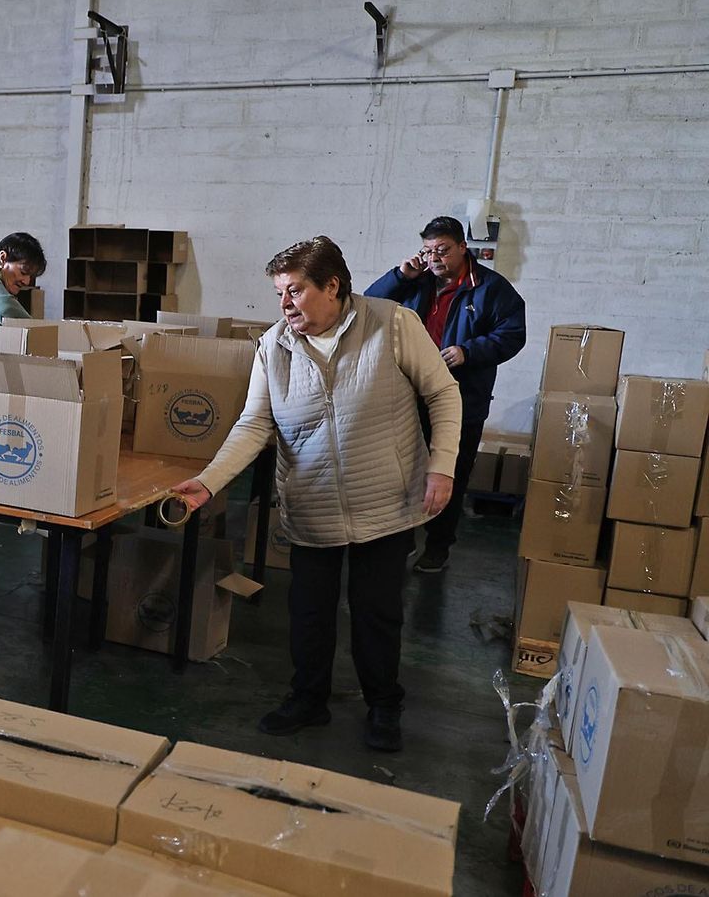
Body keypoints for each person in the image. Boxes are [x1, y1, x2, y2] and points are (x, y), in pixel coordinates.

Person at [172, 236, 461, 753]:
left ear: (333, 286)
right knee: (309, 612)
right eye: (280, 292)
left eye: (295, 290)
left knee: (377, 613)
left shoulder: (392, 324)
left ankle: (383, 705)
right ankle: (308, 699)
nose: (285, 304)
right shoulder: (274, 345)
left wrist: (442, 467)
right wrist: (210, 480)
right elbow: (254, 423)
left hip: (385, 501)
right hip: (312, 503)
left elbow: (443, 392)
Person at [365, 216, 526, 573]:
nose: (435, 258)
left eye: (442, 250)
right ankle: (403, 540)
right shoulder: (416, 280)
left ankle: (438, 547)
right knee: (404, 470)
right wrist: (400, 276)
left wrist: (470, 352)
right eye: (428, 250)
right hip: (410, 394)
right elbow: (368, 305)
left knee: (449, 472)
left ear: (462, 248)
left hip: (463, 397)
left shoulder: (490, 288)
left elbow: (513, 334)